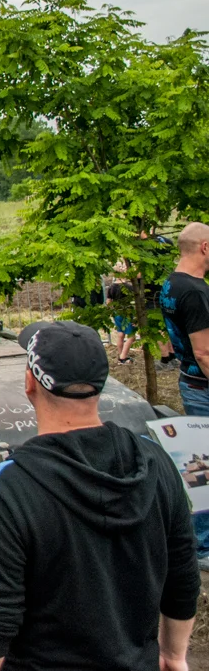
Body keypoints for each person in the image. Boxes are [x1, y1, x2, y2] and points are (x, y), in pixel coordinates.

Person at [0, 321, 198, 671]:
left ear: (29, 383)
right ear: (101, 385)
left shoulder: (10, 483)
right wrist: (174, 655)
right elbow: (182, 568)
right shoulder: (154, 460)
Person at [159, 221, 209, 565]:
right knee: (202, 467)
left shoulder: (170, 284)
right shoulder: (194, 291)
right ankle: (202, 546)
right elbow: (205, 352)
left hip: (188, 380)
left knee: (201, 461)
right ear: (204, 247)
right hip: (203, 385)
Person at [106, 275, 137, 364]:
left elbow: (108, 302)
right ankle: (123, 358)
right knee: (131, 336)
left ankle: (121, 355)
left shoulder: (111, 287)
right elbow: (135, 301)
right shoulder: (128, 287)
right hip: (127, 313)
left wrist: (112, 311)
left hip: (116, 313)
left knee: (120, 334)